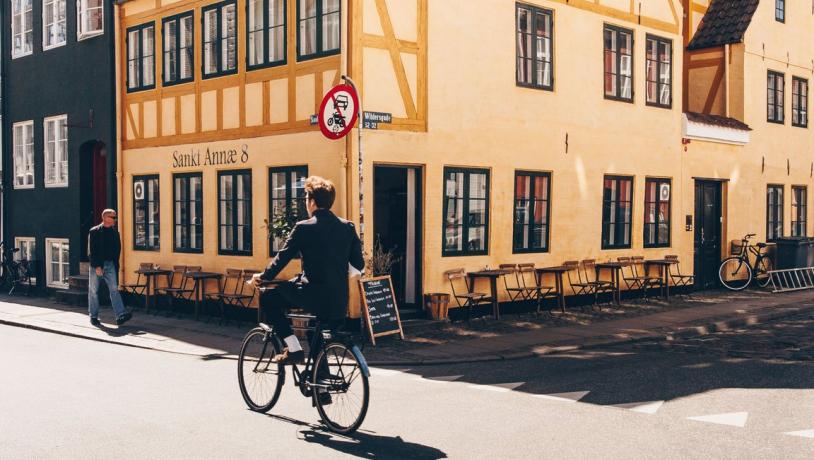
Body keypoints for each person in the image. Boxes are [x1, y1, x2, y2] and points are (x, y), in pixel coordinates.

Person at [252, 176, 364, 364]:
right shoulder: (348, 227)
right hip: (339, 299)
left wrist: (263, 277)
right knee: (316, 337)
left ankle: (294, 349)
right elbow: (358, 265)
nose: (306, 203)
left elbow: (282, 258)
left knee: (268, 299)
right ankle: (321, 389)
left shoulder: (303, 228)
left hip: (313, 294)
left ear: (311, 202)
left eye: (306, 199)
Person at [88, 209, 131, 326]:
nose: (115, 220)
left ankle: (120, 315)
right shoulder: (95, 231)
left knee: (114, 290)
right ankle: (93, 316)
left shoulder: (115, 232)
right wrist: (97, 266)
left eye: (115, 217)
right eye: (113, 217)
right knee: (93, 291)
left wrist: (115, 264)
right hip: (97, 265)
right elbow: (92, 251)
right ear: (105, 217)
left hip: (110, 265)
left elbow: (117, 249)